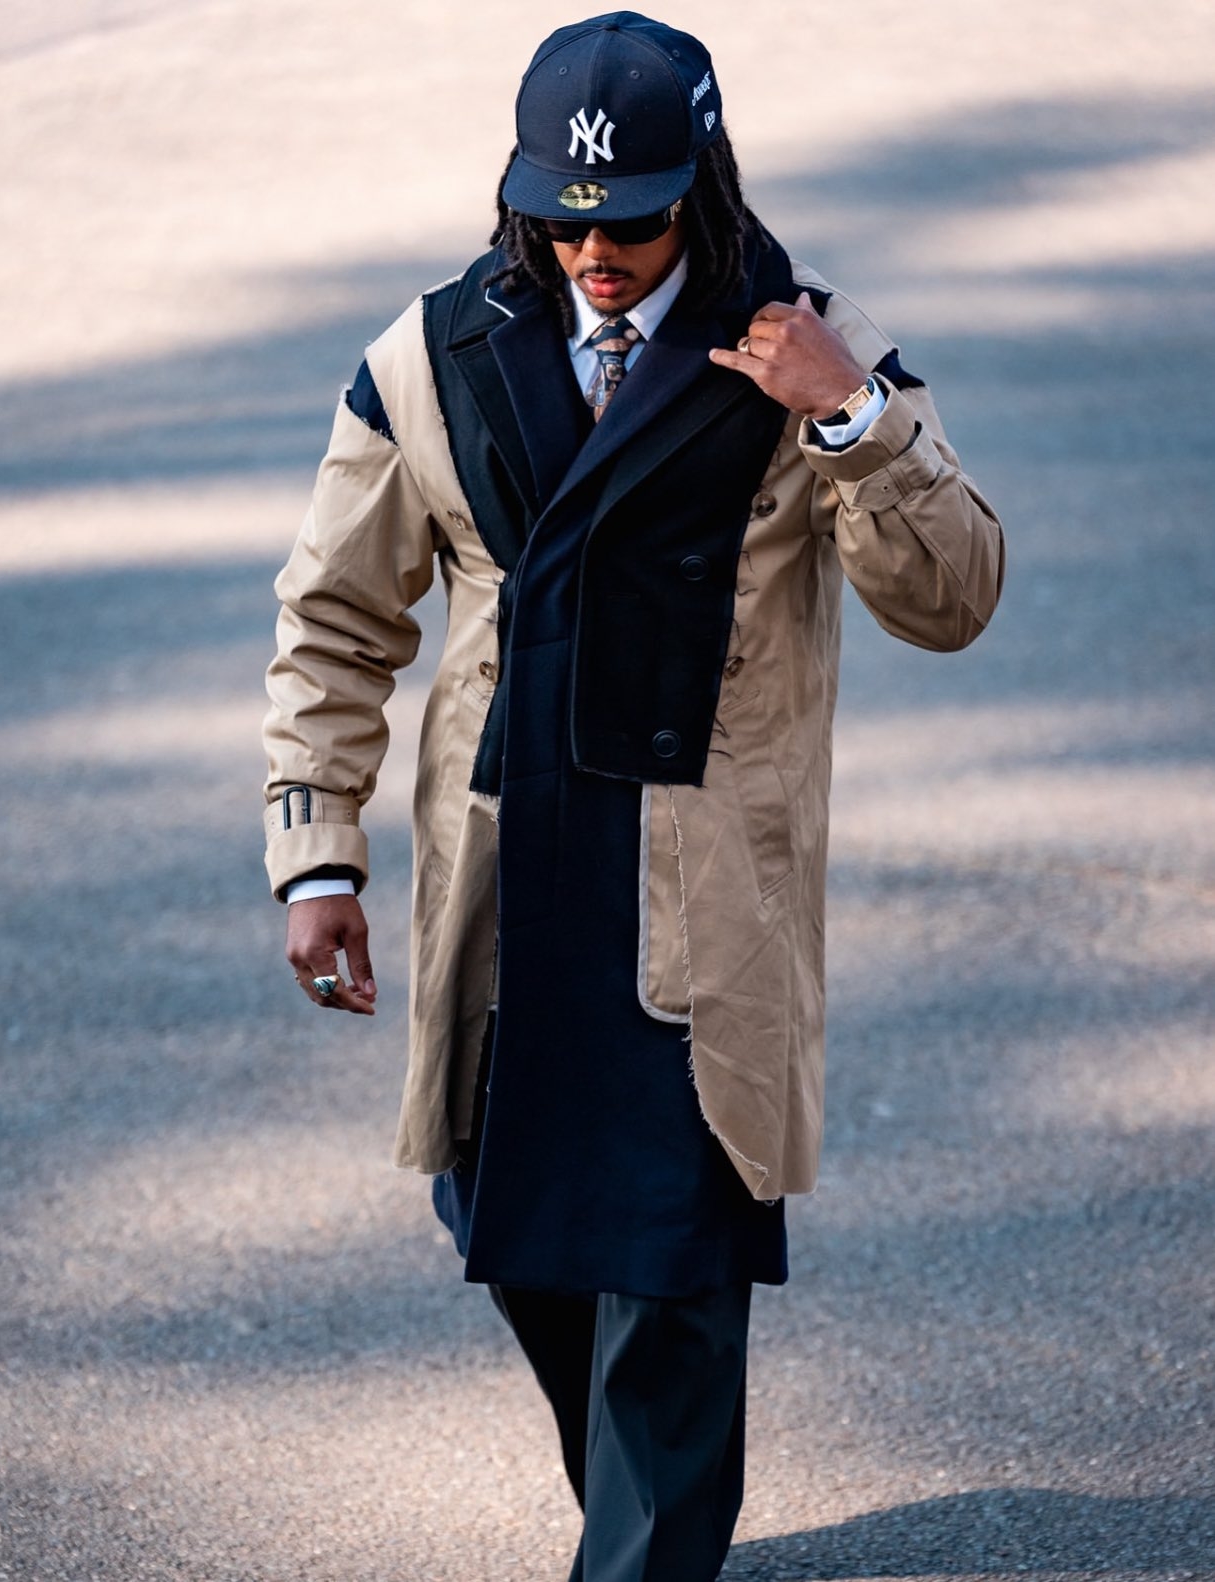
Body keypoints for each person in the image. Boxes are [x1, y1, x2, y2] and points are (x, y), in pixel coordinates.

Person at [262, 12, 1004, 1580]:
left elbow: (954, 595)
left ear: (703, 192)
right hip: (509, 878)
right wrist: (315, 851)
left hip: (702, 892)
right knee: (518, 1239)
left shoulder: (811, 342)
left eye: (635, 221)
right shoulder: (429, 358)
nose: (596, 254)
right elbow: (335, 615)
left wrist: (850, 418)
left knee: (670, 1275)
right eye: (562, 217)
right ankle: (637, 1517)